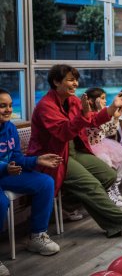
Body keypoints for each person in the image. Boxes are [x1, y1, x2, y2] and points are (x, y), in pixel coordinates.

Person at [27, 64, 122, 237]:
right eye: (70, 80)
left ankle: (67, 206)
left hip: (74, 150)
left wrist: (113, 108)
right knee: (91, 186)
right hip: (53, 156)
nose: (75, 83)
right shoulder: (45, 106)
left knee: (109, 176)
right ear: (56, 81)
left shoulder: (74, 100)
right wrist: (84, 115)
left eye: (76, 79)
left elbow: (92, 120)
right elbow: (63, 133)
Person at [0, 88, 62, 266]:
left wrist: (37, 160)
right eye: (2, 106)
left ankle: (37, 236)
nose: (8, 110)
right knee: (1, 202)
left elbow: (17, 158)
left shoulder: (10, 128)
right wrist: (6, 167)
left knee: (45, 182)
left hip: (6, 174)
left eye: (10, 105)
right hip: (5, 172)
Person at [83, 87, 122, 207]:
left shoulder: (104, 112)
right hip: (90, 147)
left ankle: (115, 185)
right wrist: (102, 112)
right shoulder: (87, 114)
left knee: (120, 159)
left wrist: (115, 118)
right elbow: (96, 129)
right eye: (103, 98)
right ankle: (108, 190)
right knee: (106, 160)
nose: (105, 101)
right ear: (91, 100)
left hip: (103, 143)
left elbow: (110, 132)